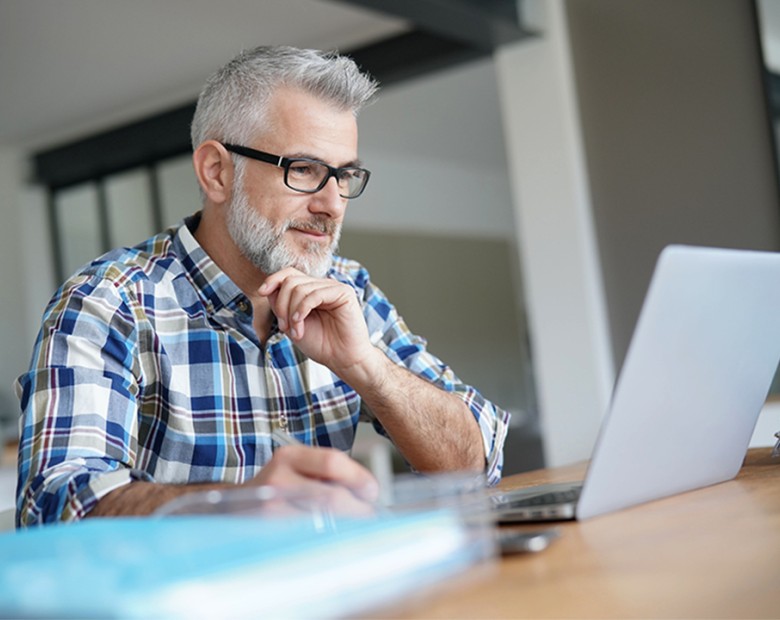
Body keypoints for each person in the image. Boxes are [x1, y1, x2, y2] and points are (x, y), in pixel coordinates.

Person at [15, 46, 510, 526]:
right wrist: (239, 505)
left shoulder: (347, 288)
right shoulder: (108, 302)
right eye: (305, 170)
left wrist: (366, 367)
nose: (333, 205)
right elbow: (56, 506)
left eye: (345, 176)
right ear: (216, 172)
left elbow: (479, 461)